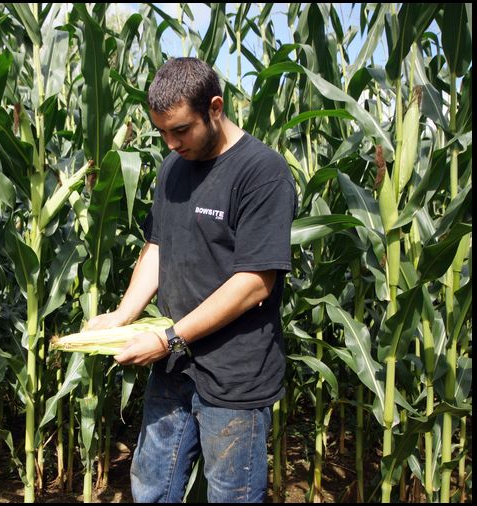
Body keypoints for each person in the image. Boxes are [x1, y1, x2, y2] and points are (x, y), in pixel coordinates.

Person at [86, 57, 296, 503]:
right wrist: (123, 316)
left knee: (230, 496)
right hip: (174, 368)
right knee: (150, 488)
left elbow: (256, 282)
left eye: (180, 130)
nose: (171, 142)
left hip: (234, 377)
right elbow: (157, 248)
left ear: (215, 108)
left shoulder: (262, 172)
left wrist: (167, 339)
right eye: (161, 132)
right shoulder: (172, 168)